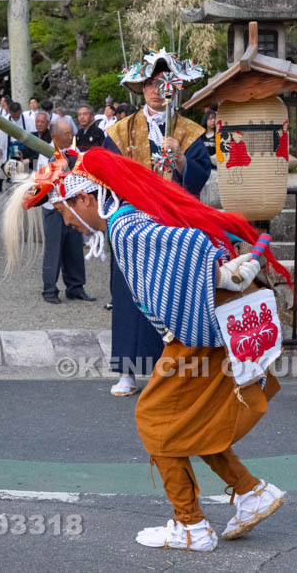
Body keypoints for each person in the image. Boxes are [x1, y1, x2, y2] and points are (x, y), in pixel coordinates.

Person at [4, 147, 290, 552]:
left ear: (85, 198)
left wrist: (220, 270)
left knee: (156, 419)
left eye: (63, 208)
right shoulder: (128, 216)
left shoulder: (123, 225)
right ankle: (250, 492)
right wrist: (223, 270)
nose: (66, 220)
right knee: (189, 421)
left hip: (199, 332)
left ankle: (190, 524)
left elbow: (186, 244)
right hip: (209, 328)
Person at [102, 50, 211, 396]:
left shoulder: (190, 131)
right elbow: (107, 174)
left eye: (162, 82)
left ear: (174, 86)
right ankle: (128, 371)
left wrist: (180, 158)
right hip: (132, 225)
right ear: (141, 88)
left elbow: (200, 175)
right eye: (149, 83)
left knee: (173, 294)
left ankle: (171, 369)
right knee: (130, 294)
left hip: (174, 225)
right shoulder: (120, 131)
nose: (155, 89)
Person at [39, 120, 90, 303]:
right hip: (55, 208)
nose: (70, 137)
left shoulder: (74, 152)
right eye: (66, 134)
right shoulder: (45, 154)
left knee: (75, 247)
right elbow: (44, 184)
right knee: (54, 249)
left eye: (71, 133)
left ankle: (76, 286)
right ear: (54, 136)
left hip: (74, 207)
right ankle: (50, 289)